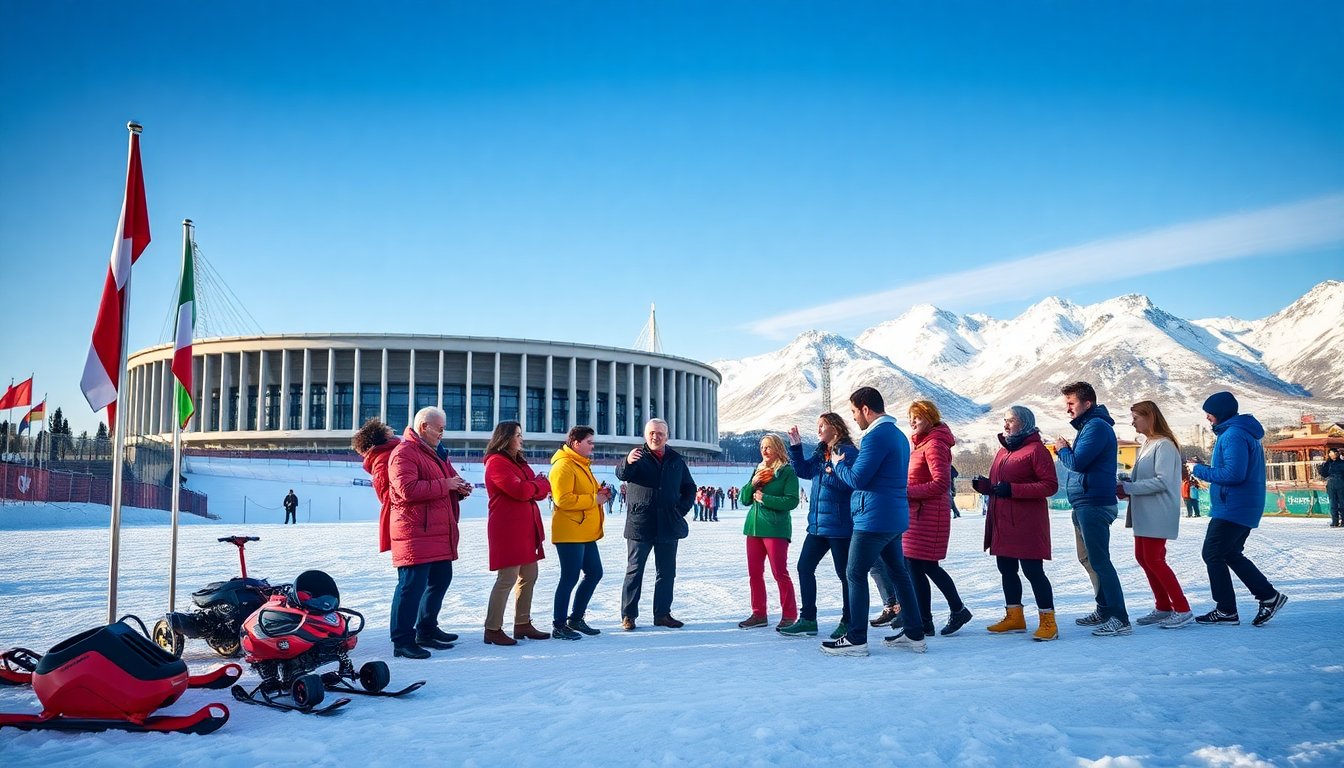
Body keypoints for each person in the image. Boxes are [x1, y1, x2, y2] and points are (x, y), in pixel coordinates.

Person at [820, 387, 926, 656]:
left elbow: (858, 479)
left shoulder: (876, 437)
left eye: (855, 411)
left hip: (874, 519)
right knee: (899, 574)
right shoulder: (899, 436)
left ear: (866, 409)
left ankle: (856, 639)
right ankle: (915, 634)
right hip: (893, 517)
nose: (854, 418)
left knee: (854, 574)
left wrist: (837, 464)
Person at [1190, 392, 1288, 626]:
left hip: (1233, 506)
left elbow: (1233, 474)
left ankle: (1226, 610)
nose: (1207, 417)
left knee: (1212, 553)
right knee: (1230, 553)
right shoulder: (1238, 432)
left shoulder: (1234, 434)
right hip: (1239, 505)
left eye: (1210, 412)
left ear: (1221, 412)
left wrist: (1198, 469)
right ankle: (1268, 596)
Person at [387, 406, 471, 659]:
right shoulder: (404, 453)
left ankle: (426, 629)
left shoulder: (436, 453)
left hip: (437, 531)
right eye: (440, 428)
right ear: (424, 426)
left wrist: (458, 488)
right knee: (411, 587)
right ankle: (402, 639)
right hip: (415, 532)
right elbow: (407, 489)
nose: (443, 433)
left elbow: (448, 482)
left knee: (440, 580)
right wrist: (445, 484)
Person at [1052, 381, 1130, 638]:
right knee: (1087, 559)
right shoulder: (1088, 427)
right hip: (1083, 502)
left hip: (1094, 503)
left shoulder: (1096, 427)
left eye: (1071, 404)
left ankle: (1119, 617)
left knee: (1100, 561)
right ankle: (1105, 608)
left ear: (1088, 403)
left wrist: (1063, 450)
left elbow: (1077, 462)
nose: (1068, 410)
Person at [977, 406, 1060, 641]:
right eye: (1004, 420)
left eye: (1011, 420)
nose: (1005, 425)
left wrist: (1013, 489)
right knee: (1006, 568)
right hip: (1002, 521)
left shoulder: (1036, 450)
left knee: (1033, 571)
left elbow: (1050, 486)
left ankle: (1048, 621)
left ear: (1024, 423)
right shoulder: (1003, 451)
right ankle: (1015, 616)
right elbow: (999, 483)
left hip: (1027, 523)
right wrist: (986, 487)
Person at [615, 418, 697, 630]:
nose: (655, 436)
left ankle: (662, 614)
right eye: (651, 433)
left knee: (666, 572)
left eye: (660, 433)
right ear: (645, 435)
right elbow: (621, 474)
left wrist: (680, 510)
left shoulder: (675, 460)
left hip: (668, 525)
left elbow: (689, 487)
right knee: (635, 571)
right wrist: (627, 461)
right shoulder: (637, 457)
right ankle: (629, 615)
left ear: (667, 436)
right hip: (640, 525)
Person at [1119, 401, 1193, 629]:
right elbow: (1146, 478)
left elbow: (1162, 481)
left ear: (1149, 417)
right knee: (1143, 557)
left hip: (1158, 511)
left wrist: (1129, 488)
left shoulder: (1164, 445)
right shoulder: (1148, 444)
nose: (1132, 422)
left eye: (1135, 417)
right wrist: (1127, 485)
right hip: (1144, 511)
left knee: (1154, 559)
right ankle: (1163, 606)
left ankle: (1182, 608)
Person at [782, 412, 856, 640]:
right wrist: (795, 446)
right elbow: (803, 471)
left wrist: (831, 470)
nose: (819, 430)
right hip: (817, 525)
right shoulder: (821, 452)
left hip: (840, 525)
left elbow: (851, 483)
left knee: (845, 574)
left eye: (822, 426)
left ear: (835, 427)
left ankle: (849, 620)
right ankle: (808, 619)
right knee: (804, 567)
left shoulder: (848, 451)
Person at [904, 400, 972, 637]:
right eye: (910, 417)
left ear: (930, 417)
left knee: (925, 565)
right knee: (915, 565)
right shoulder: (922, 444)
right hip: (918, 512)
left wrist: (907, 493)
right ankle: (927, 619)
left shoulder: (934, 445)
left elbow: (941, 483)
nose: (912, 421)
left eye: (918, 417)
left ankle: (954, 610)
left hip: (929, 514)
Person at [482, 421, 552, 646]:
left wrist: (535, 485)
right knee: (507, 578)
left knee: (529, 575)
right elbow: (520, 490)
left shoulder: (518, 462)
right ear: (505, 438)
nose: (521, 439)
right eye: (517, 435)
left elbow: (535, 490)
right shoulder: (496, 463)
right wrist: (537, 484)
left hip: (526, 528)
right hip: (507, 529)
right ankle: (492, 628)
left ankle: (522, 623)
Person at [549, 426, 608, 640]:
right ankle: (559, 624)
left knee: (595, 572)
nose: (593, 446)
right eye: (589, 442)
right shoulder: (564, 465)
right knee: (569, 577)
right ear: (576, 443)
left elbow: (583, 493)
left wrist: (598, 493)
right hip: (570, 531)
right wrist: (594, 499)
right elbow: (562, 499)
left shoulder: (581, 464)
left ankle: (576, 618)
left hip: (584, 531)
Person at [737, 434, 800, 630]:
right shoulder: (758, 469)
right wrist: (752, 484)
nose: (764, 451)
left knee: (779, 573)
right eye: (762, 447)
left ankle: (789, 615)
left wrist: (766, 498)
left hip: (775, 529)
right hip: (753, 529)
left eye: (769, 447)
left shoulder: (787, 472)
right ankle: (758, 614)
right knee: (754, 574)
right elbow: (745, 500)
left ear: (778, 449)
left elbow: (792, 500)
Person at [353, 418, 399, 555]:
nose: (392, 431)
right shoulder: (384, 461)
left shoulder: (389, 454)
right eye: (388, 430)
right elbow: (390, 497)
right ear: (383, 436)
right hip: (406, 520)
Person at [1318, 448, 1344, 527]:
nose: (1333, 456)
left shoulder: (1342, 463)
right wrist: (1322, 468)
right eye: (1331, 454)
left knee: (1342, 503)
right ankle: (1335, 521)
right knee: (1333, 503)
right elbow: (1323, 473)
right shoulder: (1328, 464)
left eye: (1334, 454)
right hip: (1331, 484)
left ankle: (1343, 520)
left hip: (1341, 484)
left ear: (1337, 454)